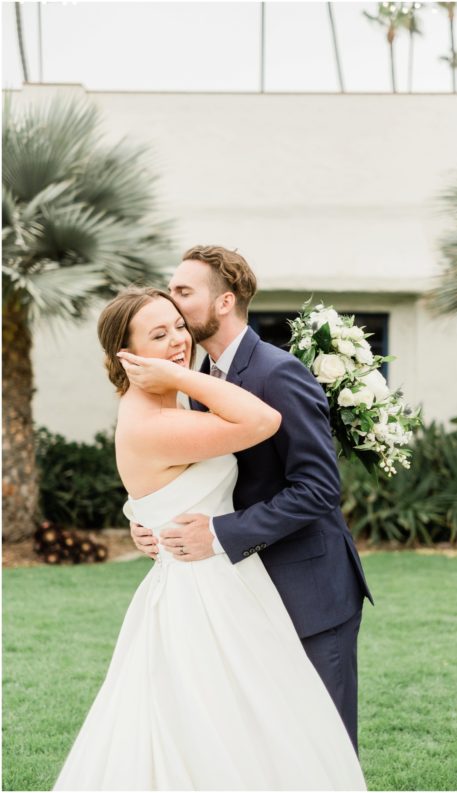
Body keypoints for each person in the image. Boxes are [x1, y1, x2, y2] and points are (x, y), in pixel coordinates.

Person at [53, 285, 366, 791]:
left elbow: (175, 482)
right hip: (202, 595)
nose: (178, 339)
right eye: (160, 334)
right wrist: (180, 374)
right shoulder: (160, 415)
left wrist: (142, 511)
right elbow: (263, 422)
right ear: (127, 355)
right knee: (224, 727)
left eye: (179, 324)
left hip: (228, 579)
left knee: (257, 725)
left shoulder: (178, 401)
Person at [129, 246, 373, 754]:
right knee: (268, 748)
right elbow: (197, 472)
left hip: (310, 590)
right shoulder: (199, 382)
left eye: (183, 292)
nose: (172, 304)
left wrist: (217, 534)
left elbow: (319, 487)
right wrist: (147, 518)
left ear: (224, 303)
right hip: (244, 594)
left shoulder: (276, 372)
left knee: (323, 747)